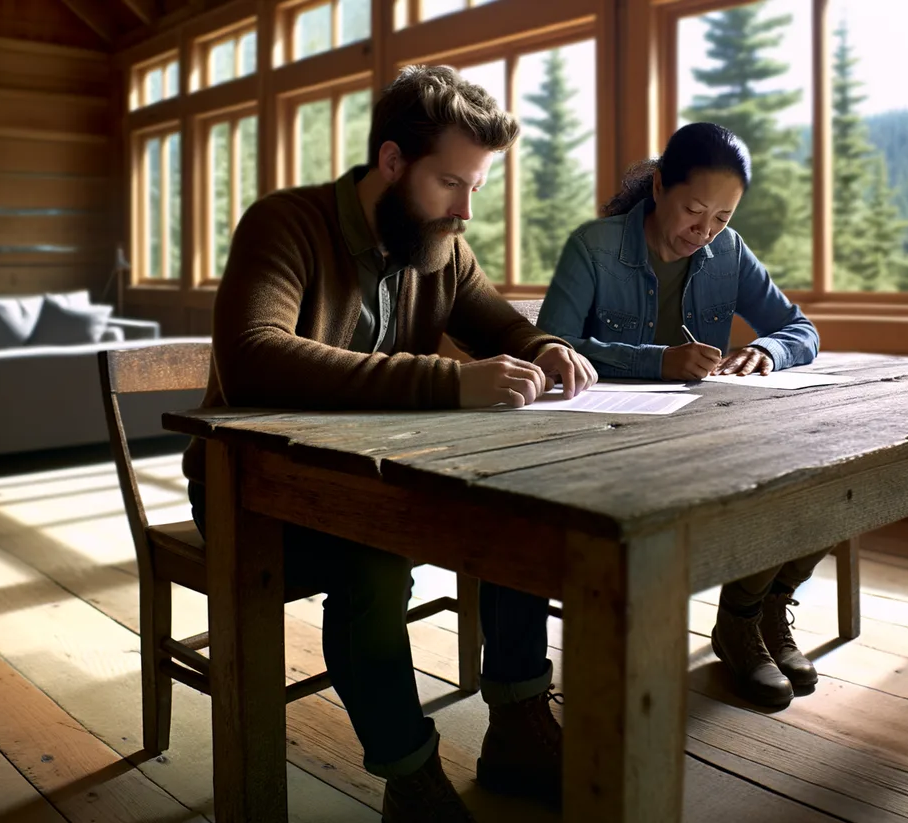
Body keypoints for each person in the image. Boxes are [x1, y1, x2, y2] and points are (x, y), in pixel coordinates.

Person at [181, 65, 597, 823]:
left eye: (476, 187)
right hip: (252, 490)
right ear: (393, 161)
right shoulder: (285, 223)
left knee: (523, 515)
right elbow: (253, 355)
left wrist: (545, 347)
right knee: (373, 563)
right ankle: (411, 775)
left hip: (378, 480)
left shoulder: (440, 245)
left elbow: (501, 324)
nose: (465, 210)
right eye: (450, 183)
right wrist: (447, 381)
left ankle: (518, 723)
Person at [536, 122, 829, 708]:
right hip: (607, 442)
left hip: (705, 434)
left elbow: (801, 329)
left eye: (722, 217)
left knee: (827, 470)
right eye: (694, 211)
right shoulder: (594, 247)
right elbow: (550, 349)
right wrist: (657, 360)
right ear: (658, 186)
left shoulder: (729, 251)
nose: (705, 231)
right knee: (771, 482)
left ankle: (755, 614)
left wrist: (768, 350)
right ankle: (745, 620)